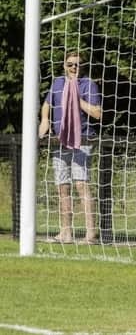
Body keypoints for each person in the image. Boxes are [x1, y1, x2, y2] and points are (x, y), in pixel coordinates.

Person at [38, 51, 102, 244]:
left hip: (82, 141)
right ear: (64, 65)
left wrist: (76, 97)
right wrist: (45, 120)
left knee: (81, 185)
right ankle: (65, 232)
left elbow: (97, 113)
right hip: (60, 141)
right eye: (70, 64)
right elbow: (47, 104)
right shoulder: (58, 83)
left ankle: (91, 234)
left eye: (77, 64)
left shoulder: (88, 84)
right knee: (62, 188)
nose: (74, 67)